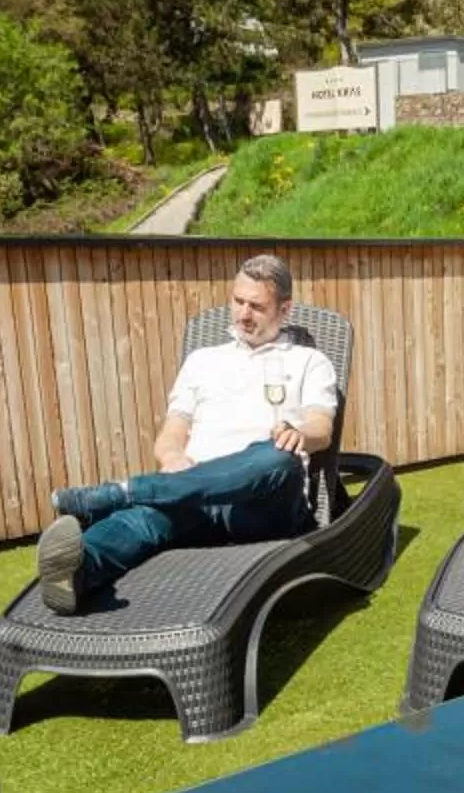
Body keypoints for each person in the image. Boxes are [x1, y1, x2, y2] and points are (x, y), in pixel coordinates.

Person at [36, 254, 338, 613]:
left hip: (265, 506)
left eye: (256, 306)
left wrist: (299, 435)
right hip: (196, 495)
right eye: (237, 301)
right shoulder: (202, 361)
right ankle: (77, 573)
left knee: (277, 455)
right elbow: (171, 434)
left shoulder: (308, 361)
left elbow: (322, 428)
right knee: (143, 520)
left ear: (284, 309)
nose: (243, 314)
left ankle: (118, 493)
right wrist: (173, 458)